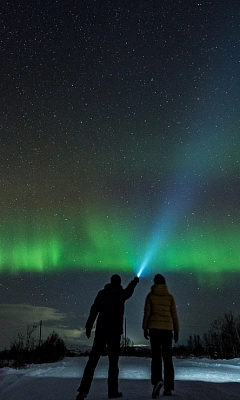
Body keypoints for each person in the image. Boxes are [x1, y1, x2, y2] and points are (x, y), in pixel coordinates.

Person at [76, 274, 139, 400]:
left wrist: (89, 326)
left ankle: (83, 391)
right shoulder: (121, 294)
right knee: (113, 363)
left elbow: (94, 310)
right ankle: (113, 391)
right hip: (115, 333)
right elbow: (129, 291)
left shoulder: (102, 293)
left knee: (92, 361)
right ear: (119, 282)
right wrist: (134, 282)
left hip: (102, 330)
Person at [142, 274, 179, 398]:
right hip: (167, 330)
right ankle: (168, 388)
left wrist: (145, 328)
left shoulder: (150, 296)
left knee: (156, 357)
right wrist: (177, 330)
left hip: (154, 329)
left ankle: (157, 380)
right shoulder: (170, 297)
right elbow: (174, 314)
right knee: (168, 359)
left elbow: (147, 313)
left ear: (155, 283)